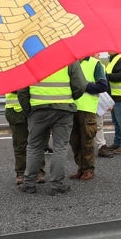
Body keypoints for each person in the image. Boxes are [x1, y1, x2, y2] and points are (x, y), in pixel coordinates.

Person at [17, 62, 88, 195]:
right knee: (60, 147)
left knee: (34, 146)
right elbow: (81, 85)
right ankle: (57, 185)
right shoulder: (69, 59)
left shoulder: (31, 57)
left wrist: (29, 110)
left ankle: (29, 184)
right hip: (63, 109)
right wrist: (69, 98)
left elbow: (22, 89)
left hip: (38, 109)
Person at [69, 55, 109, 181]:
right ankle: (80, 168)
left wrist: (83, 86)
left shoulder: (95, 63)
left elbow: (103, 86)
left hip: (87, 108)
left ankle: (88, 169)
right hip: (71, 107)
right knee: (74, 141)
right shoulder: (70, 62)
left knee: (87, 140)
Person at [4, 92, 46, 185]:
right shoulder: (5, 76)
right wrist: (24, 87)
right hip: (16, 111)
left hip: (34, 108)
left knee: (37, 143)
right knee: (20, 144)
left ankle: (39, 172)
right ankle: (21, 173)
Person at [102, 51, 121, 155]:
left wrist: (107, 76)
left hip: (120, 95)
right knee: (116, 121)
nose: (107, 50)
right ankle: (117, 142)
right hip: (115, 95)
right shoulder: (114, 59)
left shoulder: (120, 59)